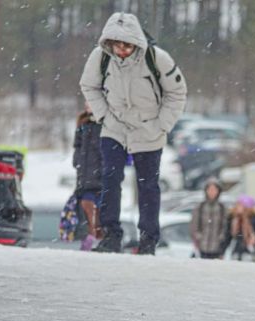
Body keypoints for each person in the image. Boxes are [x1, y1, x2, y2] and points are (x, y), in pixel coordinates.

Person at [79, 12, 187, 255]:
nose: (122, 50)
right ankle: (110, 235)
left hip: (148, 129)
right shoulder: (100, 58)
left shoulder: (157, 58)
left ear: (136, 42)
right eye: (117, 44)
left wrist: (162, 125)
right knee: (110, 178)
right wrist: (104, 116)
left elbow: (178, 92)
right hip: (114, 126)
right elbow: (88, 85)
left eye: (127, 44)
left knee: (148, 185)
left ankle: (148, 239)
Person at [73, 108, 104, 251]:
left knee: (97, 214)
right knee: (85, 213)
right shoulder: (82, 124)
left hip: (99, 180)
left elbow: (101, 151)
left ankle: (96, 240)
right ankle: (88, 240)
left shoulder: (103, 124)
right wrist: (77, 162)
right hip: (84, 180)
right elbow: (78, 148)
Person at [190, 178, 228, 259]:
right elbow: (194, 226)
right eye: (210, 189)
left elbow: (225, 227)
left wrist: (222, 241)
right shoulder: (200, 207)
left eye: (214, 189)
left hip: (217, 248)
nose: (212, 192)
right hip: (202, 247)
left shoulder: (222, 208)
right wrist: (197, 238)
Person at [228, 194, 255, 262]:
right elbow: (230, 233)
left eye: (242, 204)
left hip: (250, 249)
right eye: (239, 204)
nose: (240, 206)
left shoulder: (253, 217)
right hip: (236, 249)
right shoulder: (233, 217)